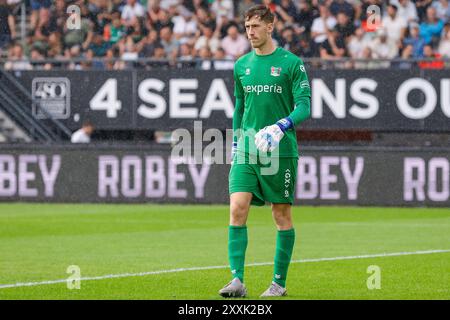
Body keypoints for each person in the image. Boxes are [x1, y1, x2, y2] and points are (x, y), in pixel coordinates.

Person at [219, 5, 311, 298]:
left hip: (280, 150)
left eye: (256, 27)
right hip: (247, 148)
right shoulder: (241, 65)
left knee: (281, 214)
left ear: (270, 27)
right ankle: (237, 281)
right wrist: (235, 144)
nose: (250, 33)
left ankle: (278, 284)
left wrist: (281, 126)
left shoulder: (291, 64)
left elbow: (305, 106)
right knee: (237, 208)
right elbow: (239, 107)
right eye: (247, 27)